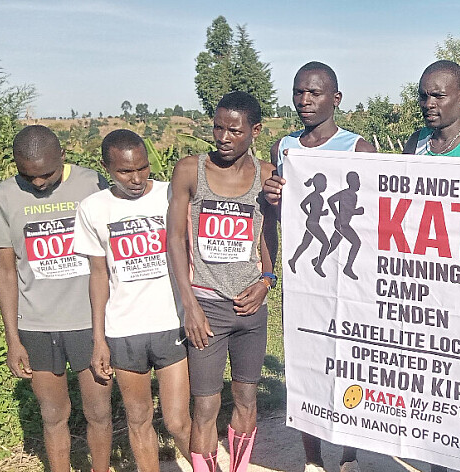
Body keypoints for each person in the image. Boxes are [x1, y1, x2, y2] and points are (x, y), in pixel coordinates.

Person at [260, 61, 373, 472]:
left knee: (349, 361)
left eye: (315, 93)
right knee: (306, 361)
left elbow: (375, 214)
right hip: (303, 281)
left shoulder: (358, 148)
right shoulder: (284, 146)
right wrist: (273, 194)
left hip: (349, 282)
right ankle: (312, 458)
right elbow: (279, 211)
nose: (305, 101)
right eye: (299, 92)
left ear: (335, 98)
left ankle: (349, 454)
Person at [0, 125, 112, 472]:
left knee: (99, 412)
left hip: (89, 322)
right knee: (53, 415)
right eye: (28, 176)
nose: (38, 183)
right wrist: (13, 339)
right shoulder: (5, 196)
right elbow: (5, 271)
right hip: (37, 327)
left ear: (62, 156)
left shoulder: (91, 183)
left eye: (47, 174)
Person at [167, 91, 278, 472]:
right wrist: (190, 306)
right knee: (206, 406)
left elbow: (269, 234)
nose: (223, 138)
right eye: (218, 128)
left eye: (234, 131)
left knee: (247, 399)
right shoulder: (189, 171)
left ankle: (238, 468)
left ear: (255, 131)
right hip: (207, 307)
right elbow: (175, 240)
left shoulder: (267, 176)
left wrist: (266, 280)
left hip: (251, 307)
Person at [74, 129, 191, 471]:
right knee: (139, 420)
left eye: (142, 167)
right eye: (125, 171)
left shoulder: (170, 194)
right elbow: (98, 276)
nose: (137, 179)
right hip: (124, 330)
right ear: (106, 168)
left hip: (171, 322)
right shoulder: (93, 208)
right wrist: (99, 339)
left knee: (178, 422)